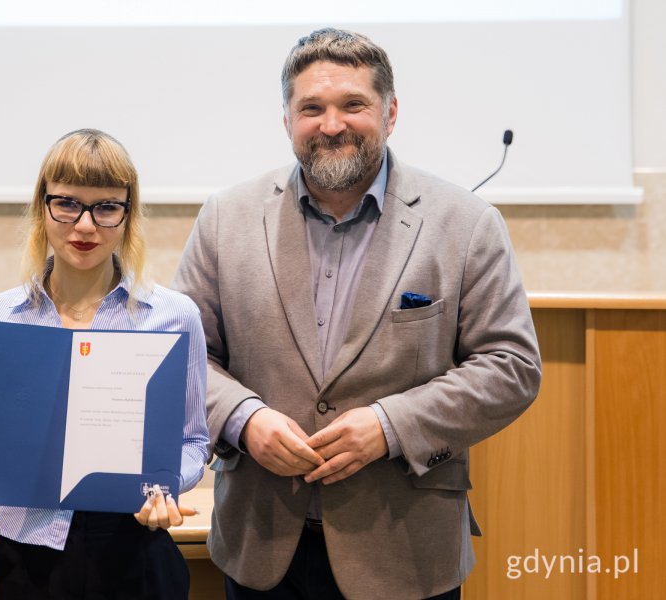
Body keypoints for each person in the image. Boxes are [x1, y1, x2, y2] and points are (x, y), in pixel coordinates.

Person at [173, 28, 542, 600]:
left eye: (353, 104)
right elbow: (184, 357)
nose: (331, 124)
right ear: (287, 119)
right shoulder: (225, 218)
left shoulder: (467, 224)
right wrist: (243, 419)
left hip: (406, 550)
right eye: (311, 108)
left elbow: (511, 366)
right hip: (260, 544)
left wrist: (393, 425)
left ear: (390, 113)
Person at [0, 128, 209, 599]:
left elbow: (193, 440)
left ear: (128, 214)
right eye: (66, 204)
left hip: (135, 551)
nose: (85, 226)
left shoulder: (174, 316)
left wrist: (165, 487)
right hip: (24, 558)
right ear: (41, 207)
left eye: (106, 207)